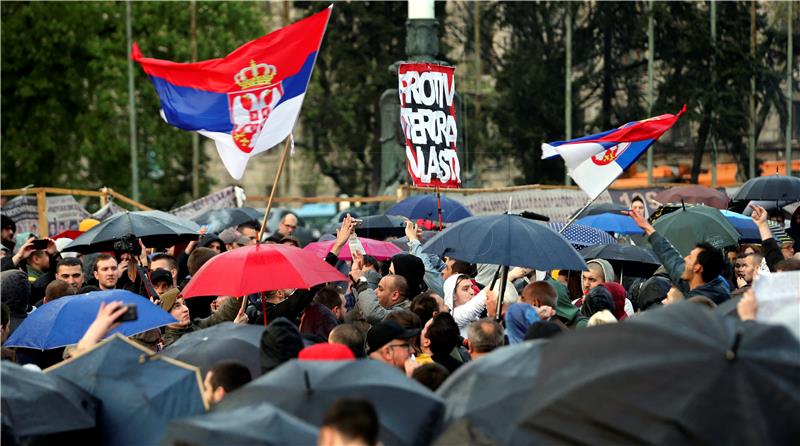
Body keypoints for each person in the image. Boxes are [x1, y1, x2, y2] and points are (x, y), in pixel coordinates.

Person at [627, 210, 730, 304]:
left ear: (697, 268)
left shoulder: (708, 301)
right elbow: (669, 256)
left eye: (690, 257)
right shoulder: (689, 276)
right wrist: (646, 227)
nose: (684, 259)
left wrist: (675, 303)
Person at [159, 288, 246, 347]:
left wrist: (241, 292)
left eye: (184, 303)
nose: (185, 309)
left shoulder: (195, 325)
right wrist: (233, 329)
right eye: (177, 306)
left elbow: (221, 317)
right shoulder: (172, 346)